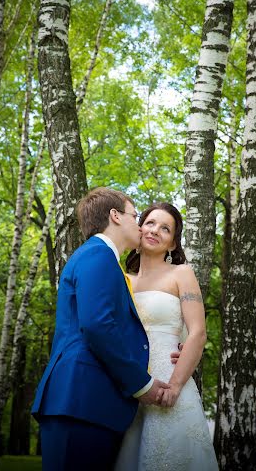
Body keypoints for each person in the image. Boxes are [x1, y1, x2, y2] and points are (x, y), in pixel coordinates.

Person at [31, 187, 179, 471]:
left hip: (90, 403)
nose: (139, 225)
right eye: (135, 216)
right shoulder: (98, 256)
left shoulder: (101, 259)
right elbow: (98, 326)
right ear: (115, 216)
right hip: (81, 401)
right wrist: (142, 384)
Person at [114, 202, 218, 471]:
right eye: (150, 223)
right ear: (139, 229)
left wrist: (174, 385)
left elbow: (198, 332)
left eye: (165, 228)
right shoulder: (122, 279)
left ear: (172, 244)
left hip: (170, 380)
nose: (155, 230)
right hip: (129, 385)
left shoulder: (181, 274)